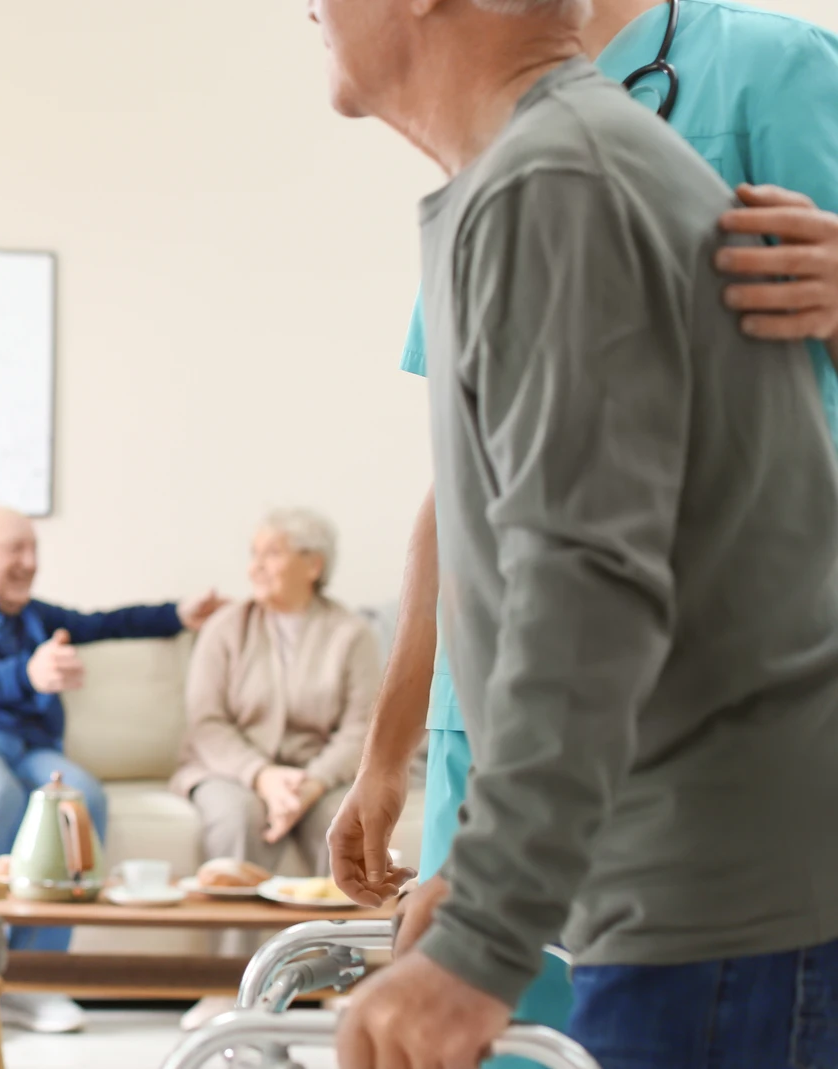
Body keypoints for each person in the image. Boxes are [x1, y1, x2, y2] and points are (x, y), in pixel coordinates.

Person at [308, 1, 838, 1066]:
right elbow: (519, 513)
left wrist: (483, 938)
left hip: (711, 887)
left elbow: (589, 585)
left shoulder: (560, 183)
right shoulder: (545, 172)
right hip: (676, 862)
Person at [0, 505, 222, 1033]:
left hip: (22, 747)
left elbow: (105, 622)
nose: (29, 562)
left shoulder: (32, 617)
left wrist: (179, 614)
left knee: (77, 797)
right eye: (13, 549)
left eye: (34, 550)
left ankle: (35, 977)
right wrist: (28, 671)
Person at [168, 508, 380, 1030]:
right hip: (227, 769)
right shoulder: (225, 627)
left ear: (313, 565)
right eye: (254, 554)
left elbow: (361, 730)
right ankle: (227, 986)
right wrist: (262, 775)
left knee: (343, 822)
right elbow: (207, 723)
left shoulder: (351, 633)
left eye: (272, 553)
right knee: (236, 815)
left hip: (318, 774)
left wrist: (308, 785)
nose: (256, 567)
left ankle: (338, 979)